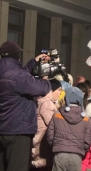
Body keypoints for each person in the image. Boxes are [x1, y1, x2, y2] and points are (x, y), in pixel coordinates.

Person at [0, 41, 51, 171]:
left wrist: (33, 62)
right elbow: (42, 89)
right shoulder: (19, 77)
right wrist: (45, 77)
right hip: (19, 131)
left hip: (3, 129)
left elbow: (16, 78)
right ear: (18, 56)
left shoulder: (8, 74)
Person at [47, 86, 91, 171]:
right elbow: (88, 140)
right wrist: (81, 149)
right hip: (77, 156)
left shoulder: (57, 115)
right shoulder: (86, 118)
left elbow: (50, 135)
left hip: (59, 153)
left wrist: (56, 146)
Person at [31, 79, 62, 170]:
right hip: (42, 143)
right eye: (58, 90)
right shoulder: (47, 103)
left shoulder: (42, 100)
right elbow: (53, 123)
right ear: (52, 90)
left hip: (40, 141)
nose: (60, 93)